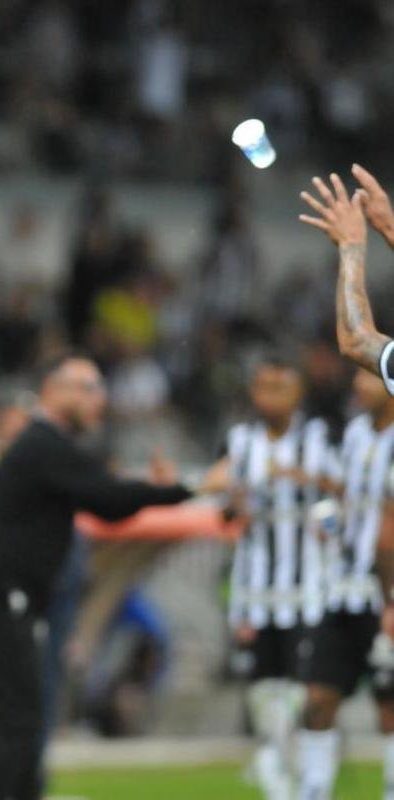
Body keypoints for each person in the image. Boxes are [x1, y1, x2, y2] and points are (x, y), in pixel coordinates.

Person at [0, 355, 196, 800]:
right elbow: (108, 498)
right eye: (88, 388)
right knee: (22, 716)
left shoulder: (47, 446)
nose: (99, 400)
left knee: (22, 714)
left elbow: (106, 498)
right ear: (53, 389)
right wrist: (183, 491)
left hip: (10, 593)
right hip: (1, 592)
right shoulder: (43, 442)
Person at [296, 168, 394, 800]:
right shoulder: (357, 435)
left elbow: (357, 337)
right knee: (322, 700)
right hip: (353, 583)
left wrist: (360, 244)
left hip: (385, 588)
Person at [201, 355, 335, 800]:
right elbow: (219, 498)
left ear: (297, 392)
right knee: (262, 684)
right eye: (262, 387)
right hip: (256, 588)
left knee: (304, 684)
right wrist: (230, 497)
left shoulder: (319, 437)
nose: (268, 396)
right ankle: (273, 762)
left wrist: (298, 477)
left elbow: (347, 491)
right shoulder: (239, 440)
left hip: (308, 587)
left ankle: (298, 765)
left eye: (279, 387)